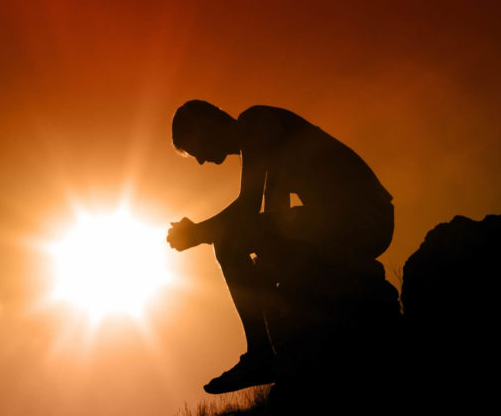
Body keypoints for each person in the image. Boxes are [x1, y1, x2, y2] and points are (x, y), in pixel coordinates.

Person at [167, 100, 393, 394]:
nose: (199, 160)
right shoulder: (265, 142)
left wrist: (198, 232)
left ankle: (261, 355)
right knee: (251, 249)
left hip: (362, 217)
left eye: (193, 146)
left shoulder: (255, 121)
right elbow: (274, 218)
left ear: (206, 124)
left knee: (228, 242)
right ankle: (276, 348)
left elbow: (247, 210)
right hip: (361, 223)